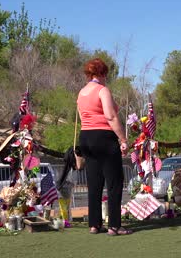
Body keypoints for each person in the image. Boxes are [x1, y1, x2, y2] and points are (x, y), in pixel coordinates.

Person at [77, 58, 132, 236]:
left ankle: (94, 224)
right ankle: (114, 225)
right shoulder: (103, 90)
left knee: (94, 182)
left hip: (86, 137)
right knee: (114, 182)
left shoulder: (81, 92)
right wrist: (123, 139)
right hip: (104, 137)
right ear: (102, 74)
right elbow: (111, 116)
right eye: (106, 74)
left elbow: (83, 116)